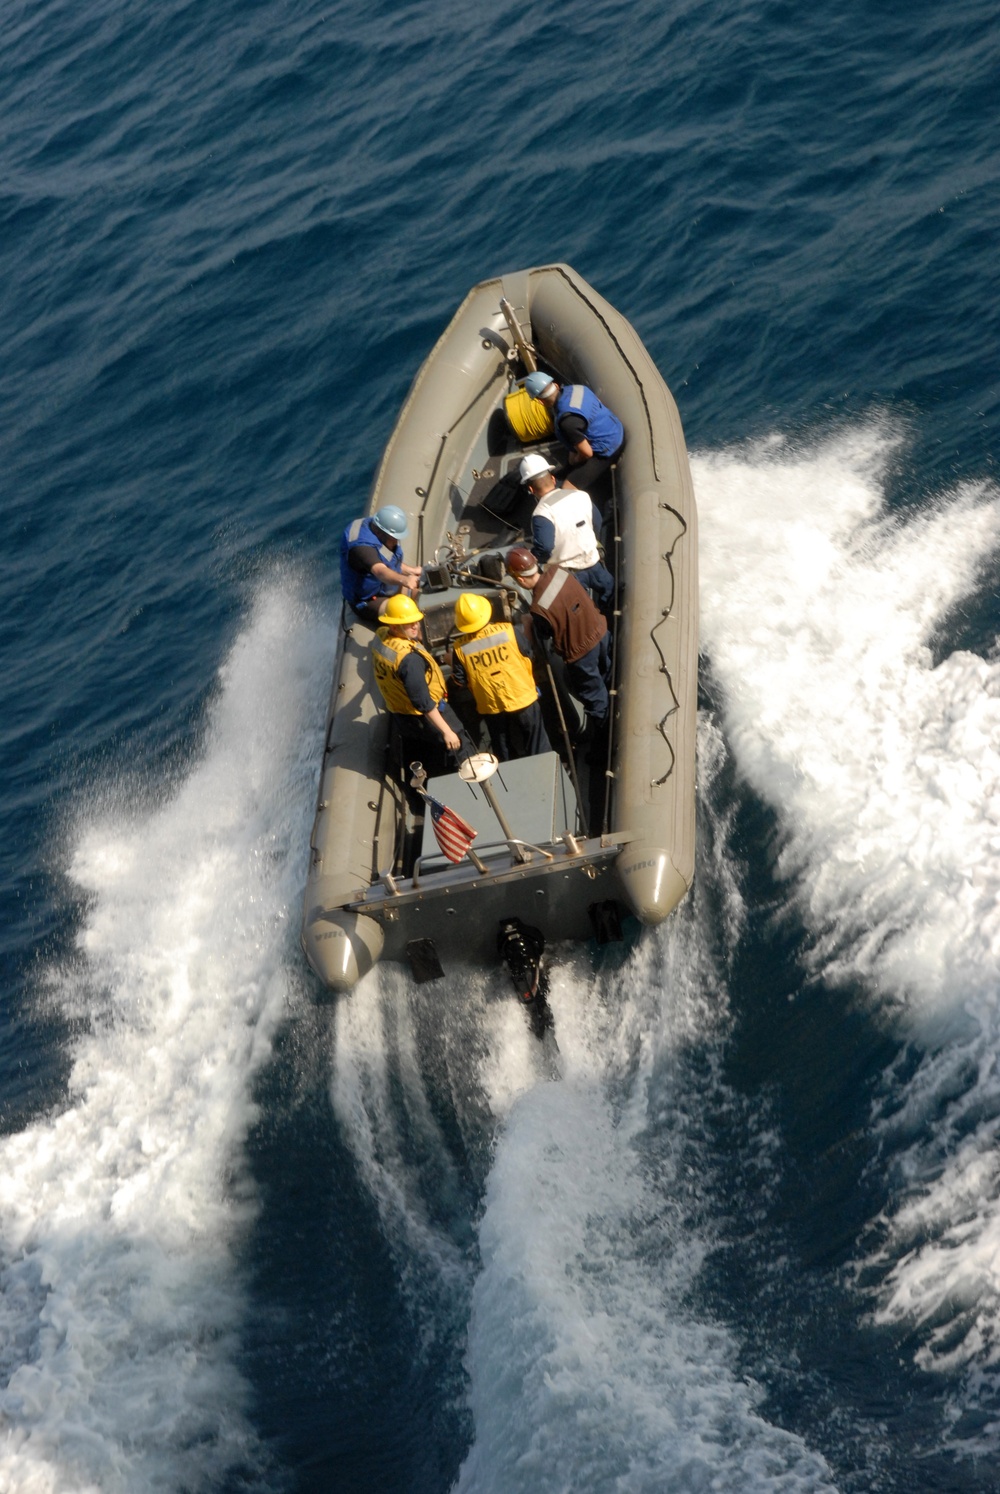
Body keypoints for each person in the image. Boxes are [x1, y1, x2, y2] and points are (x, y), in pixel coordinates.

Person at [504, 546, 611, 736]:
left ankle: (604, 739)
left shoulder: (539, 608)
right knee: (609, 676)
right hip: (601, 633)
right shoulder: (559, 571)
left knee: (595, 699)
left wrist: (527, 624)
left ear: (520, 579)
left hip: (582, 654)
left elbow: (543, 637)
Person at [370, 594, 466, 777]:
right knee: (458, 747)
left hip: (403, 716)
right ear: (394, 625)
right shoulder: (409, 660)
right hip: (428, 716)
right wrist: (447, 731)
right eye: (408, 623)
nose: (415, 625)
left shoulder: (381, 636)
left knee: (430, 756)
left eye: (416, 621)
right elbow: (423, 702)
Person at [450, 592, 551, 762]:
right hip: (522, 696)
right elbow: (528, 653)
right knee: (536, 740)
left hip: (491, 705)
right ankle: (543, 767)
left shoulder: (459, 648)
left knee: (501, 744)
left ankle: (507, 774)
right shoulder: (509, 631)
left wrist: (450, 661)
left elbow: (459, 682)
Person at [519, 453, 614, 613]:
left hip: (570, 577)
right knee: (611, 592)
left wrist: (534, 555)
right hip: (593, 561)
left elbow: (545, 548)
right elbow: (596, 523)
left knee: (583, 612)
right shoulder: (582, 496)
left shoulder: (541, 514)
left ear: (530, 488)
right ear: (553, 479)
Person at [520, 371, 624, 495]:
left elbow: (587, 453)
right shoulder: (578, 389)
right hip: (615, 429)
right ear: (556, 386)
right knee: (570, 459)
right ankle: (568, 471)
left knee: (567, 487)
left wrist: (575, 460)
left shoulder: (567, 422)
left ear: (540, 401)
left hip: (608, 449)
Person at [340, 504, 423, 625]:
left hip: (387, 588)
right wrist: (405, 580)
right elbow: (380, 571)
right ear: (380, 533)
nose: (396, 542)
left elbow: (389, 560)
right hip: (368, 600)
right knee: (406, 617)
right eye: (394, 538)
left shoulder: (379, 531)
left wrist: (412, 571)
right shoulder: (362, 549)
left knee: (423, 596)